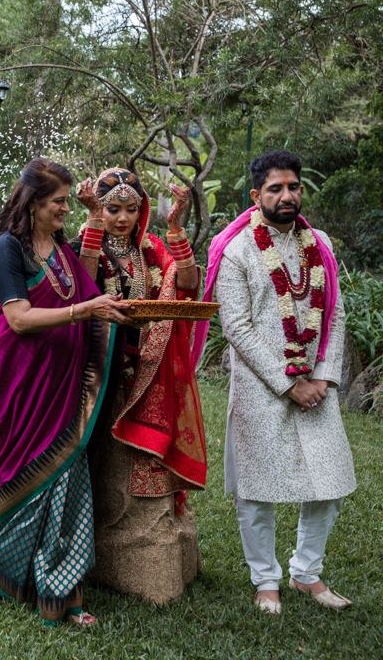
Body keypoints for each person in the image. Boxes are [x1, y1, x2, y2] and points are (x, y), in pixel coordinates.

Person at [0, 158, 132, 627]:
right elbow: (17, 319)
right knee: (19, 469)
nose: (64, 210)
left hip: (60, 384)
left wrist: (96, 220)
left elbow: (88, 286)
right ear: (34, 202)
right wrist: (85, 310)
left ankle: (62, 592)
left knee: (67, 477)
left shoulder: (57, 245)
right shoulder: (6, 250)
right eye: (58, 202)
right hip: (19, 383)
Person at [199, 150, 355, 614]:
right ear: (256, 195)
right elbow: (237, 328)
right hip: (260, 389)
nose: (287, 196)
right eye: (275, 189)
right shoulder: (237, 248)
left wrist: (323, 377)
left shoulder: (319, 242)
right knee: (256, 491)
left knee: (329, 483)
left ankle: (307, 573)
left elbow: (336, 314)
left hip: (318, 388)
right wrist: (289, 384)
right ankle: (265, 580)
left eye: (293, 187)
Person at [72, 169, 207, 604]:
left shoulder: (148, 248)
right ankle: (98, 553)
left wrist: (177, 230)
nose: (123, 218)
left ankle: (150, 558)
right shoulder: (84, 242)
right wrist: (94, 222)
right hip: (102, 368)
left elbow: (186, 287)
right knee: (105, 463)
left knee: (146, 464)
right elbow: (84, 288)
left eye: (132, 209)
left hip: (147, 369)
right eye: (113, 209)